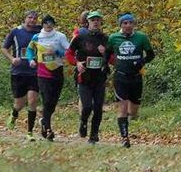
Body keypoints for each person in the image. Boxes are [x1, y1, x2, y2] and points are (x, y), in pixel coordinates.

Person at [108, 13, 154, 148]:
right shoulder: (113, 38)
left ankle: (128, 120)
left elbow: (151, 55)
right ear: (121, 25)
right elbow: (107, 53)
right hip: (120, 76)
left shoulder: (141, 37)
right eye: (125, 23)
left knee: (133, 111)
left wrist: (142, 61)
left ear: (134, 24)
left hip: (136, 77)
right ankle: (124, 137)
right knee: (122, 107)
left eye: (130, 23)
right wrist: (105, 66)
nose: (128, 26)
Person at [68, 10, 110, 143]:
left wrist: (106, 54)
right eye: (93, 20)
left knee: (98, 107)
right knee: (87, 106)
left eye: (98, 20)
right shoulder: (80, 37)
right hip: (84, 77)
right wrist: (77, 63)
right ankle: (83, 122)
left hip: (100, 77)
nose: (96, 22)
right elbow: (68, 54)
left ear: (100, 22)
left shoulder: (105, 38)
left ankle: (94, 135)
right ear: (88, 22)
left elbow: (113, 58)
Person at [26, 15, 71, 141]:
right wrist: (30, 60)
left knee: (53, 101)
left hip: (57, 71)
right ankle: (48, 127)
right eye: (46, 23)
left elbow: (69, 52)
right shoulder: (37, 37)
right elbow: (30, 50)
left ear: (54, 24)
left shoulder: (60, 36)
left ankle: (44, 120)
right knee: (46, 99)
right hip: (43, 72)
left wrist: (57, 52)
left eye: (51, 23)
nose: (49, 25)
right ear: (43, 24)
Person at [3, 10, 42, 139]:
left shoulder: (41, 32)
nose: (32, 20)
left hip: (34, 71)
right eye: (30, 17)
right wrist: (12, 59)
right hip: (19, 71)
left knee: (32, 100)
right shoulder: (16, 31)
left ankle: (29, 132)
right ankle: (14, 114)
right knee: (19, 104)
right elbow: (4, 48)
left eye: (35, 18)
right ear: (25, 19)